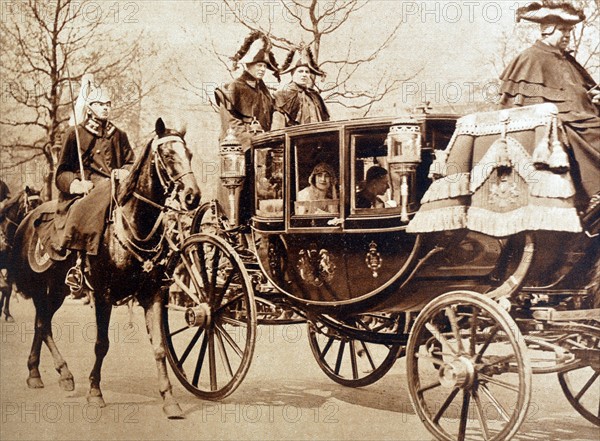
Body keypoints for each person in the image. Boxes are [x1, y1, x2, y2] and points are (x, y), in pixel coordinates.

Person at [499, 1, 600, 214]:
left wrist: (594, 98)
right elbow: (524, 107)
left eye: (569, 31)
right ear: (547, 29)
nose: (567, 35)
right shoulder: (530, 58)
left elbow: (582, 97)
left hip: (584, 119)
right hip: (561, 125)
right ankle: (594, 194)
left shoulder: (568, 60)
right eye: (563, 30)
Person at [55, 76, 135, 293]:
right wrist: (76, 184)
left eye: (108, 104)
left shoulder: (119, 134)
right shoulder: (75, 134)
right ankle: (78, 265)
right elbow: (61, 172)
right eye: (101, 104)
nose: (106, 108)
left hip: (117, 188)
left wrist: (125, 170)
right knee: (83, 210)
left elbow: (131, 162)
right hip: (86, 190)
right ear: (90, 108)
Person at [215, 31, 279, 151]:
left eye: (265, 66)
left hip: (263, 146)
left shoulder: (265, 93)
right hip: (239, 148)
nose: (262, 69)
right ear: (249, 65)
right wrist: (250, 142)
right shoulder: (233, 88)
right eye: (259, 65)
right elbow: (231, 123)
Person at [272, 47, 329, 129]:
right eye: (300, 71)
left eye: (307, 72)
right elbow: (277, 127)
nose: (304, 74)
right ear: (292, 74)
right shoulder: (282, 95)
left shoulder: (315, 96)